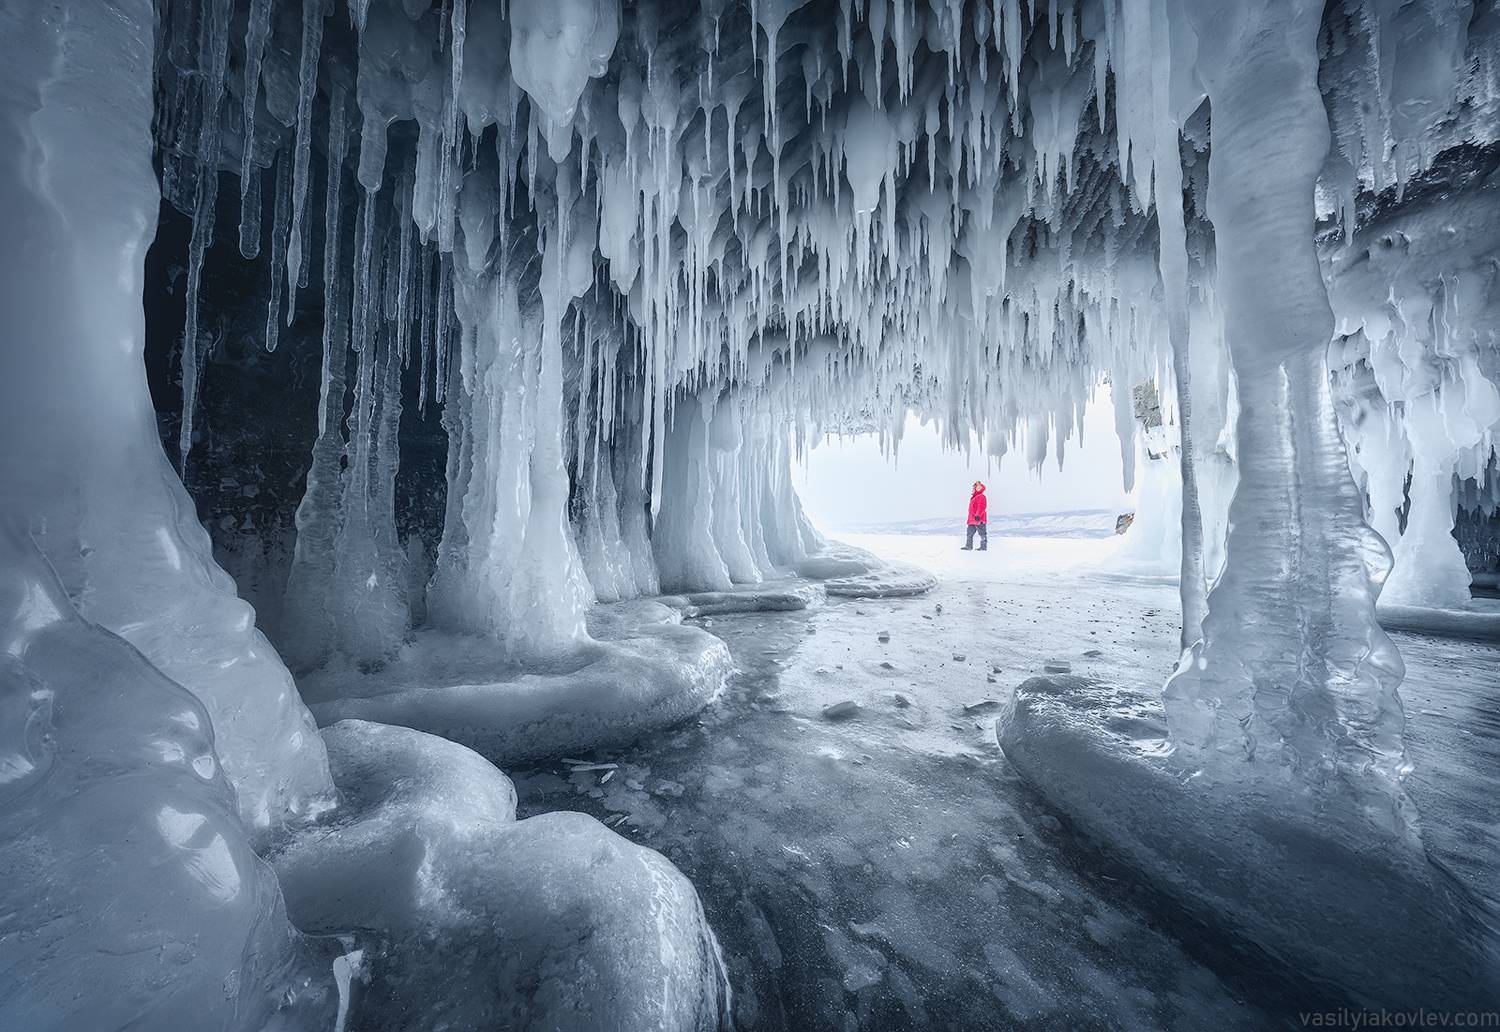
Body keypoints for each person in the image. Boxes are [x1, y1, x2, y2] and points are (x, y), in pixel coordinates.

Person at [963, 481, 988, 551]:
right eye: (976, 487)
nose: (977, 488)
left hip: (978, 519)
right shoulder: (974, 498)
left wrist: (978, 515)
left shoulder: (981, 496)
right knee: (969, 533)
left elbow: (982, 506)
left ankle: (983, 547)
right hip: (972, 520)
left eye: (979, 487)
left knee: (982, 533)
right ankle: (968, 546)